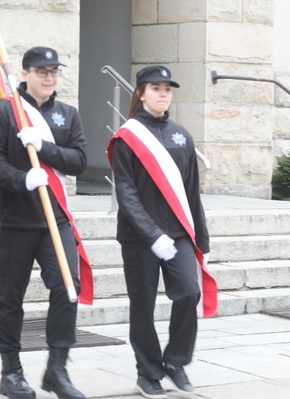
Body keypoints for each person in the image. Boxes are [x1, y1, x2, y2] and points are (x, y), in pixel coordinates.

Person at [0, 46, 93, 399]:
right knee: (11, 297)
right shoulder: (5, 112)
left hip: (54, 219)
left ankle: (57, 371)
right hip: (15, 219)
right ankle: (10, 372)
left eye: (54, 71)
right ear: (25, 74)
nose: (48, 77)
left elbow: (78, 161)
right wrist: (21, 179)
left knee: (67, 288)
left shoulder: (67, 114)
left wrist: (43, 147)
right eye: (41, 71)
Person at [107, 65, 217, 399]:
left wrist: (202, 238)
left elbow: (191, 192)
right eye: (156, 88)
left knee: (188, 293)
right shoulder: (128, 137)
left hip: (179, 234)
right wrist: (152, 234)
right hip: (140, 237)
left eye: (167, 89)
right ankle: (148, 373)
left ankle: (175, 361)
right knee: (142, 307)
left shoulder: (182, 135)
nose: (163, 94)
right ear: (141, 93)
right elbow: (125, 194)